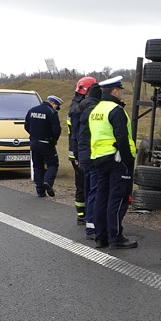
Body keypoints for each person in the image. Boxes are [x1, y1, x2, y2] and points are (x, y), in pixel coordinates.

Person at [88, 76, 137, 249]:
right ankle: (116, 237)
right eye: (121, 90)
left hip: (99, 158)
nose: (121, 93)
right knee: (117, 198)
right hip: (117, 159)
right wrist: (128, 160)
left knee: (102, 198)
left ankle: (101, 237)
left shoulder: (96, 110)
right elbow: (122, 137)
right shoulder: (116, 110)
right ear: (115, 91)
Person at [68, 77, 97, 224]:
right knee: (83, 185)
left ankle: (83, 213)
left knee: (82, 184)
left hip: (76, 151)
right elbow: (77, 134)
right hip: (79, 152)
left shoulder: (75, 106)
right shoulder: (81, 109)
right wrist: (79, 154)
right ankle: (83, 214)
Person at [76, 82, 103, 240]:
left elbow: (76, 135)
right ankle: (92, 227)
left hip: (83, 155)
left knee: (88, 189)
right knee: (95, 190)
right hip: (93, 155)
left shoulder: (78, 108)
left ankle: (89, 223)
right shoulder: (94, 110)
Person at [24, 95, 63, 197]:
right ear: (54, 103)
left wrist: (34, 135)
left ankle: (40, 190)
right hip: (46, 143)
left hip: (33, 142)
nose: (56, 108)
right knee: (53, 164)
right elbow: (57, 130)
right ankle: (48, 182)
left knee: (38, 166)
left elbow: (26, 126)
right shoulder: (51, 112)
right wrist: (53, 139)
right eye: (57, 106)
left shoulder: (32, 110)